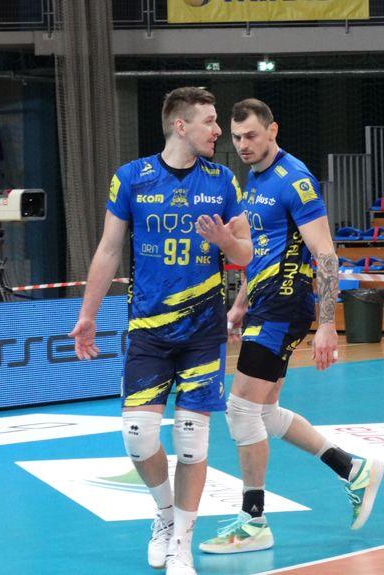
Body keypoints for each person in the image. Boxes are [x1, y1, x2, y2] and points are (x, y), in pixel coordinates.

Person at [69, 87, 252, 575]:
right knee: (137, 435)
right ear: (180, 125)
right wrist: (88, 314)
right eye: (210, 121)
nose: (219, 131)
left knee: (192, 441)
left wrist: (225, 241)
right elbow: (109, 249)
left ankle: (183, 544)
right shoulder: (131, 178)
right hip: (148, 329)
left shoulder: (223, 181)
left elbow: (246, 254)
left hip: (203, 332)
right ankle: (166, 515)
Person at [198, 98, 384, 555]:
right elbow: (265, 248)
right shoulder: (255, 178)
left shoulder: (295, 180)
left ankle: (254, 522)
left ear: (273, 130)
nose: (243, 144)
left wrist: (328, 324)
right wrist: (240, 302)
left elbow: (326, 254)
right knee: (263, 413)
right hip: (263, 303)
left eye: (251, 135)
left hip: (285, 307)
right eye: (236, 137)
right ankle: (353, 469)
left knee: (240, 410)